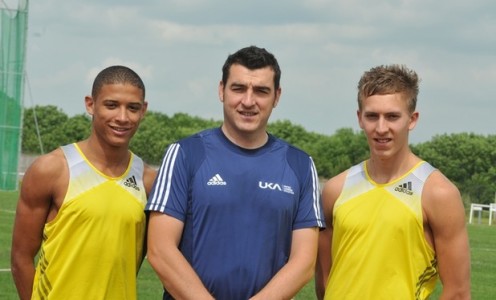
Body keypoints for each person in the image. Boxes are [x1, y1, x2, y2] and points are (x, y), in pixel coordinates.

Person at [146, 45, 325, 299]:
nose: (248, 101)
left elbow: (303, 263)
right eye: (238, 88)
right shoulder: (185, 154)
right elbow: (160, 250)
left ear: (277, 96)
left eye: (261, 91)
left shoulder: (299, 165)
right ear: (222, 90)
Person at [315, 64, 471, 299]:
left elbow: (458, 292)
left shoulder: (437, 193)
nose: (381, 128)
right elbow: (325, 280)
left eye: (392, 116)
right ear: (359, 118)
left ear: (412, 119)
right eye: (371, 116)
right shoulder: (335, 190)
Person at [11, 65, 157, 300]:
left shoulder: (149, 181)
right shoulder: (52, 169)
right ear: (90, 104)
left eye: (132, 108)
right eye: (111, 105)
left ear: (144, 110)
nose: (122, 117)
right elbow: (21, 258)